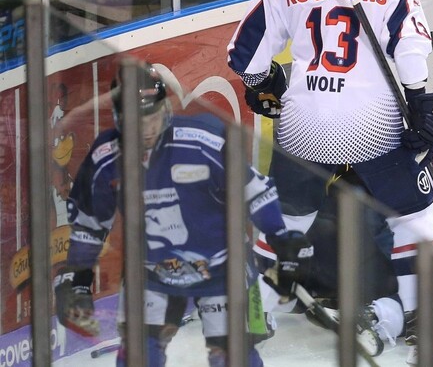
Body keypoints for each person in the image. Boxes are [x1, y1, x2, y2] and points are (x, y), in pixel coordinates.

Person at [226, 0, 433, 361]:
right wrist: (422, 102)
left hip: (305, 123)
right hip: (374, 124)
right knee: (414, 217)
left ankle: (256, 311)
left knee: (288, 218)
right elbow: (410, 49)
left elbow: (243, 57)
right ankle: (416, 312)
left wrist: (265, 81)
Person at [53, 62, 289, 366]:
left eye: (152, 117)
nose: (147, 128)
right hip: (153, 272)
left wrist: (282, 239)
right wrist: (79, 279)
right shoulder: (105, 157)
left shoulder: (203, 140)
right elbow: (89, 225)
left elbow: (255, 192)